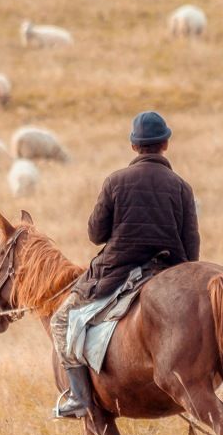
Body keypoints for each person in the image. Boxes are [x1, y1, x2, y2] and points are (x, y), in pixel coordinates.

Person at [51, 111, 201, 418]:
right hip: (167, 270)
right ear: (166, 144)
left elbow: (95, 234)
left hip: (116, 272)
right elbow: (192, 248)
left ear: (134, 146)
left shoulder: (115, 181)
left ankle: (80, 398)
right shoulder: (181, 187)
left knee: (61, 321)